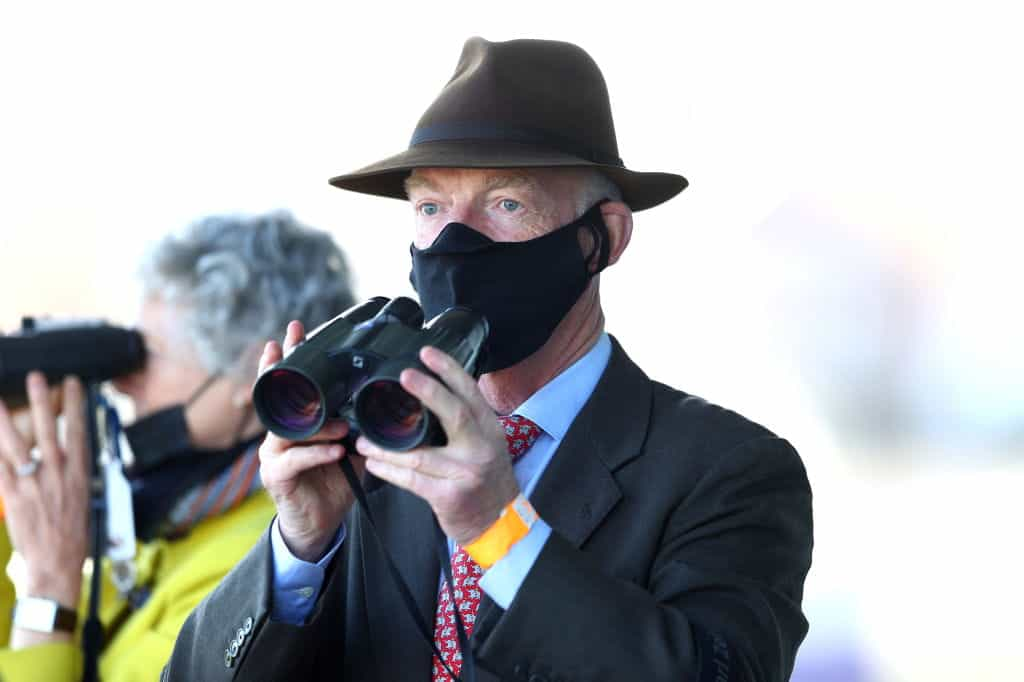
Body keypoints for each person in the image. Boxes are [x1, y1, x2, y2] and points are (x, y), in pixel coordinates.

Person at [163, 38, 813, 682]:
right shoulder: (375, 453)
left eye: (506, 203)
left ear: (604, 237)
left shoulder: (729, 471)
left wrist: (499, 531)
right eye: (430, 207)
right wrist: (298, 547)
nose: (455, 240)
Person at [0, 211, 356, 681]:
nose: (124, 383)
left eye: (147, 356)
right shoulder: (173, 518)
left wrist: (49, 587)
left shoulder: (267, 552)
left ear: (253, 371)